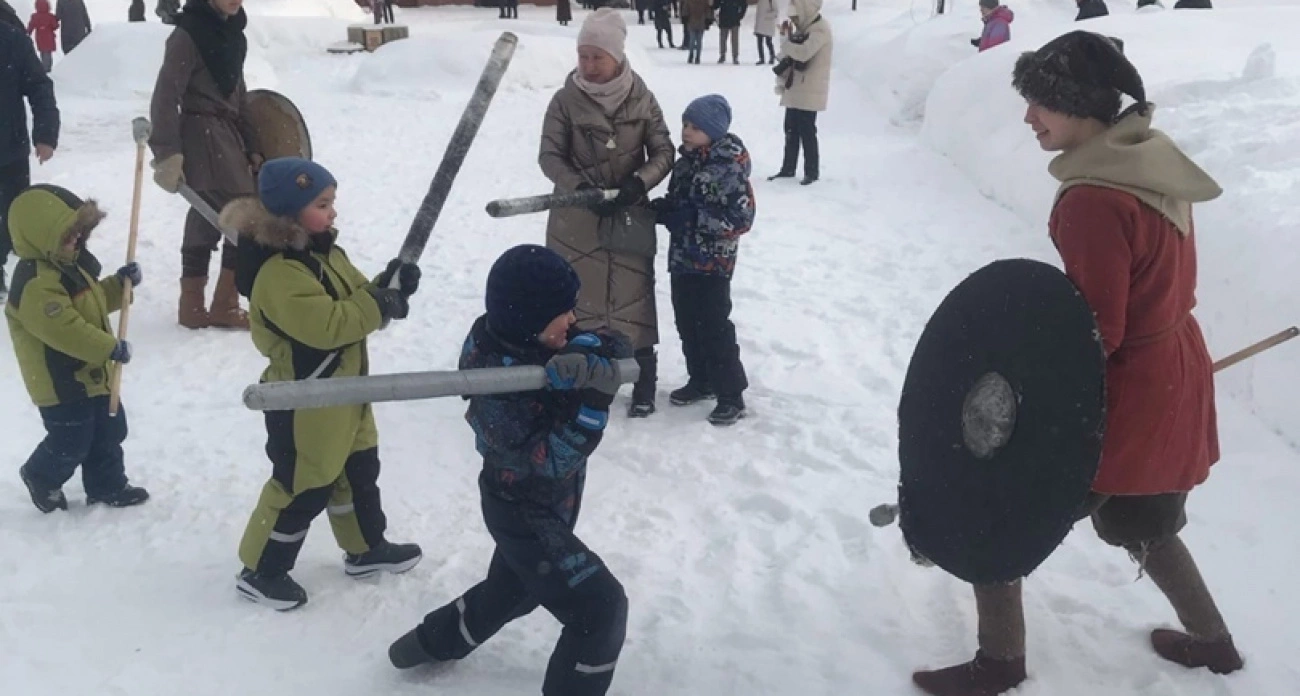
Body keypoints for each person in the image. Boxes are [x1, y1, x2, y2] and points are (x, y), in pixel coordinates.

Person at [911, 31, 1243, 696]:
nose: (1029, 118)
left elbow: (1096, 332)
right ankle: (1215, 644)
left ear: (1087, 108)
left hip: (1121, 391)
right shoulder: (1147, 158)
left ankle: (1000, 660)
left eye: (1043, 105)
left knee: (998, 505)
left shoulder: (1095, 198)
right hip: (1173, 370)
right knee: (1143, 517)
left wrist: (1026, 398)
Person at [387, 244, 631, 696]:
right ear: (530, 321)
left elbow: (615, 340)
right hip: (522, 510)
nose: (572, 320)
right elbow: (552, 461)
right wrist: (592, 404)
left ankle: (427, 642)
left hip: (551, 506)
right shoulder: (495, 391)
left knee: (513, 591)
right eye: (564, 315)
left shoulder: (533, 335)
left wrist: (589, 347)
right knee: (599, 608)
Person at [219, 157, 423, 610]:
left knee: (358, 472)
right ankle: (262, 569)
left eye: (333, 202)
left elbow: (354, 299)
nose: (333, 213)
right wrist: (378, 305)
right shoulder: (279, 271)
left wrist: (390, 286)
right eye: (323, 204)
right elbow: (329, 325)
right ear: (289, 214)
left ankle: (366, 549)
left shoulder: (323, 252)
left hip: (347, 393)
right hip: (306, 398)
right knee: (301, 485)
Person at [540, 8, 675, 417]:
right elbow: (549, 156)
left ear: (617, 56)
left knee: (634, 300)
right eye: (583, 56)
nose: (589, 65)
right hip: (576, 222)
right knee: (579, 302)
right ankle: (583, 379)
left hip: (628, 216)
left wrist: (639, 182)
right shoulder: (565, 101)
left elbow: (664, 150)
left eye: (598, 56)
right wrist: (581, 189)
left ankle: (643, 381)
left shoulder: (642, 98)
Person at [7, 185, 150, 513]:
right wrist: (108, 347)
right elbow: (64, 329)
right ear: (40, 235)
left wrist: (120, 285)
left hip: (91, 373)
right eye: (67, 235)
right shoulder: (35, 282)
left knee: (110, 429)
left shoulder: (70, 265)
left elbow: (92, 301)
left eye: (78, 233)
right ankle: (40, 475)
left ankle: (107, 485)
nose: (75, 241)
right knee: (71, 440)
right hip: (61, 382)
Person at [149, 0, 258, 330]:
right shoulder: (187, 34)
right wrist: (167, 151)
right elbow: (166, 94)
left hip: (228, 136)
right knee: (244, 213)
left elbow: (239, 95)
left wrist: (253, 145)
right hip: (201, 136)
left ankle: (193, 306)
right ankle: (223, 304)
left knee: (206, 214)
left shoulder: (233, 36)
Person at [651, 95, 754, 425]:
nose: (687, 132)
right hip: (683, 259)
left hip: (713, 264)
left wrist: (694, 220)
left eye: (695, 127)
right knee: (687, 323)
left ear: (713, 130)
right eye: (684, 124)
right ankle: (701, 380)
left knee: (713, 326)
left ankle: (731, 394)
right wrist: (666, 209)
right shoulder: (685, 164)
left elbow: (741, 218)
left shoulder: (729, 168)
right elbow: (679, 201)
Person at [0, 15, 58, 301]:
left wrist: (45, 134)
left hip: (8, 150)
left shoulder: (11, 40)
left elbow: (39, 86)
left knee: (13, 219)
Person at [770, 0, 832, 185]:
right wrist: (785, 38)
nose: (795, 20)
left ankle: (811, 171)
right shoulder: (805, 29)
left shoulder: (819, 30)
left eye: (797, 16)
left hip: (810, 89)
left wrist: (787, 44)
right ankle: (788, 168)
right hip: (797, 87)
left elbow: (804, 53)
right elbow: (789, 54)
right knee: (790, 128)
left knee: (807, 131)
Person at [26, 0, 59, 73]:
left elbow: (30, 27)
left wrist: (27, 33)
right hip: (49, 37)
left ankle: (43, 68)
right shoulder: (50, 16)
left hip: (40, 37)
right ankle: (47, 69)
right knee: (48, 53)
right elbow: (55, 26)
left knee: (42, 52)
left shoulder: (34, 16)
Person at [713, 0, 746, 64]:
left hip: (734, 19)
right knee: (723, 39)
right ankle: (722, 55)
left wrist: (740, 16)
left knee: (734, 40)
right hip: (724, 19)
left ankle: (735, 56)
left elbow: (744, 5)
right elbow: (715, 5)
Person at [681, 0, 711, 64]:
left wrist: (685, 19)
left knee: (692, 40)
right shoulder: (704, 2)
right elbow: (708, 11)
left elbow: (685, 11)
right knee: (699, 41)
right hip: (701, 22)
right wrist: (708, 21)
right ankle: (698, 57)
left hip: (692, 22)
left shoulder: (689, 1)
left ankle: (691, 55)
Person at [752, 0, 777, 65]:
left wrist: (767, 16)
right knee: (759, 42)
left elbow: (776, 12)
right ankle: (761, 58)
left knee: (768, 42)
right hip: (760, 24)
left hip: (768, 24)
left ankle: (772, 56)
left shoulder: (771, 1)